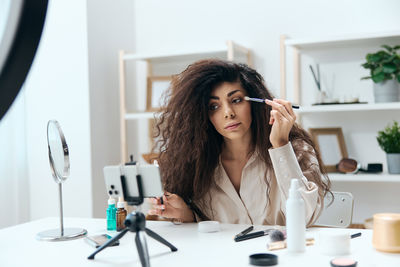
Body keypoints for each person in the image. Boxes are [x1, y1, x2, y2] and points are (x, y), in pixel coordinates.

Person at [148, 59, 331, 226]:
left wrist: (281, 145)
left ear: (255, 102)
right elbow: (213, 227)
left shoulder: (296, 149)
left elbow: (304, 218)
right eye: (214, 106)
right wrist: (187, 215)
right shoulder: (198, 162)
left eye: (236, 100)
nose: (228, 113)